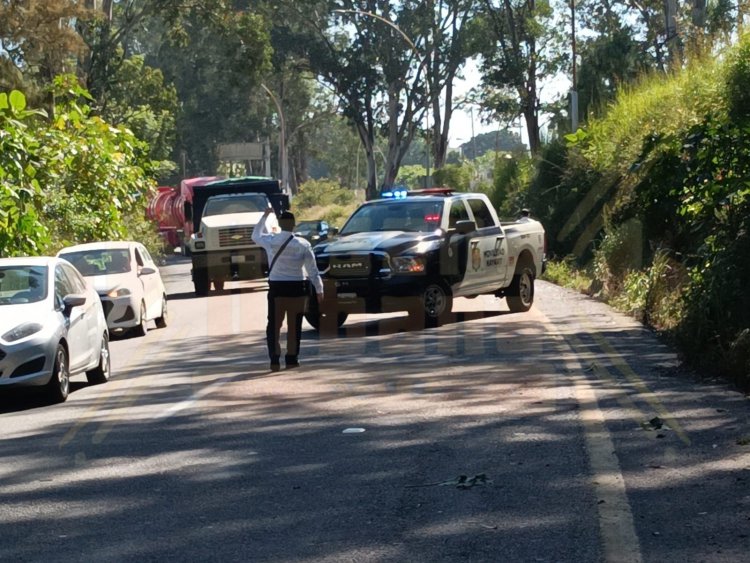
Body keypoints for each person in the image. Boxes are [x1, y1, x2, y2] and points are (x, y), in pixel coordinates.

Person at [252, 207, 324, 371]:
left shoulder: (271, 241)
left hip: (277, 288)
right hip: (297, 288)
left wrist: (265, 215)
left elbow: (255, 236)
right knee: (294, 324)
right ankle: (292, 358)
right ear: (294, 225)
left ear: (279, 224)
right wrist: (319, 290)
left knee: (274, 325)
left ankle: (274, 359)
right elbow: (312, 271)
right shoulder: (303, 244)